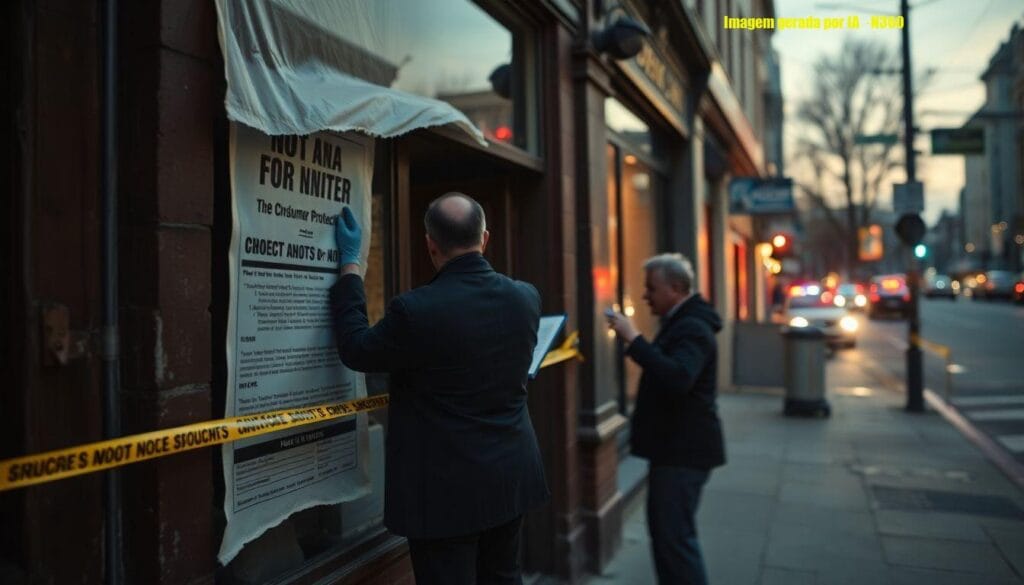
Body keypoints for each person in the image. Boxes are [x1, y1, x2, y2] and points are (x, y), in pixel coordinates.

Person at [330, 192, 549, 585]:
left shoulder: (415, 311)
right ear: (485, 239)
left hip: (445, 496)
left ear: (431, 244)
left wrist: (350, 266)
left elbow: (356, 349)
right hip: (509, 477)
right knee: (504, 577)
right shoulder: (526, 297)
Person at [605, 253, 726, 585]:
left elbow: (678, 377)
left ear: (675, 288)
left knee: (674, 541)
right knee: (669, 536)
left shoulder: (693, 327)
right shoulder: (683, 321)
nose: (645, 296)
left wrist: (634, 339)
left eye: (651, 288)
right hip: (675, 450)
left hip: (683, 453)